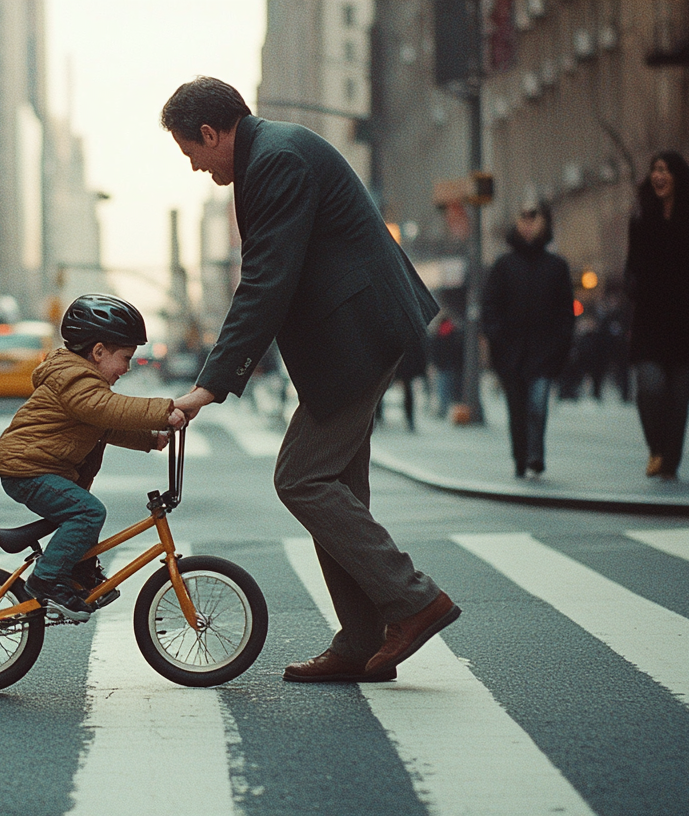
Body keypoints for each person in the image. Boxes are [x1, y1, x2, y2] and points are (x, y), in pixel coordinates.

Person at [161, 76, 455, 683]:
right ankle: (360, 642)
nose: (193, 166)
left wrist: (208, 386)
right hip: (347, 338)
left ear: (213, 133)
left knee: (301, 477)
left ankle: (415, 599)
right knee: (336, 490)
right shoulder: (272, 153)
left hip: (361, 333)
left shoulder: (277, 161)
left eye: (191, 152)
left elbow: (267, 281)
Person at [0, 294, 186, 622]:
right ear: (98, 352)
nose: (127, 367)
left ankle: (76, 575)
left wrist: (152, 438)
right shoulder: (75, 379)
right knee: (87, 512)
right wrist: (164, 411)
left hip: (41, 467)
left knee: (84, 511)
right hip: (26, 469)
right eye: (125, 357)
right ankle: (46, 581)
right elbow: (108, 409)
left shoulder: (83, 380)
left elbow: (104, 425)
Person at [623, 150, 689, 479]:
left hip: (684, 319)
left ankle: (671, 461)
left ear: (678, 176)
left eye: (664, 169)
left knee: (679, 399)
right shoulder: (640, 218)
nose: (658, 175)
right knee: (649, 387)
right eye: (654, 170)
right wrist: (632, 286)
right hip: (649, 317)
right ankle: (656, 448)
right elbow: (630, 267)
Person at [480, 202, 575, 477]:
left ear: (544, 223)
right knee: (517, 409)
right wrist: (496, 337)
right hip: (511, 352)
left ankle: (536, 454)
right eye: (523, 218)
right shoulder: (503, 265)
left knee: (538, 404)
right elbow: (490, 306)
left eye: (534, 218)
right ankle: (520, 457)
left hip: (544, 352)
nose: (528, 224)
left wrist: (560, 344)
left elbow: (565, 311)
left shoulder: (556, 266)